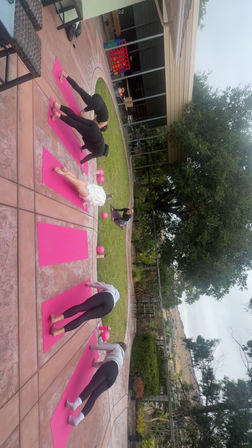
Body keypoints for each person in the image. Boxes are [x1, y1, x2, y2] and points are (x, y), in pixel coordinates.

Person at [66, 341, 127, 426]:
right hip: (112, 379)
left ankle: (74, 404)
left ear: (119, 343)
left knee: (92, 386)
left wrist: (93, 347)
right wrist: (95, 364)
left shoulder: (117, 347)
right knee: (94, 396)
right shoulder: (120, 359)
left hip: (109, 367)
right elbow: (106, 365)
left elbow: (104, 347)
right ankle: (76, 420)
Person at [50, 281, 120, 337]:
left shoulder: (112, 288)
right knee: (84, 317)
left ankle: (55, 319)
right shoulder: (114, 303)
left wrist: (90, 284)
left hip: (106, 296)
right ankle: (57, 332)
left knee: (82, 307)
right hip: (108, 308)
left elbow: (101, 285)